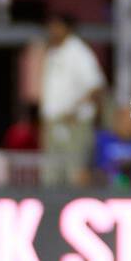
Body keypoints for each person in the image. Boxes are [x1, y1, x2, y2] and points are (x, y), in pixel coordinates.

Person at [39, 13, 106, 186]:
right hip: (54, 122)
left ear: (66, 28)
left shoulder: (78, 51)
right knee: (51, 172)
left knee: (75, 170)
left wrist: (74, 111)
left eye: (56, 26)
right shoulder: (53, 52)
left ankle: (77, 206)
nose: (51, 31)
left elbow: (96, 87)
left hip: (73, 122)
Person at [92, 104, 131, 185]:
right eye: (126, 121)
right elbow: (95, 165)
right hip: (106, 184)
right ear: (117, 121)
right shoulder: (103, 140)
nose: (130, 126)